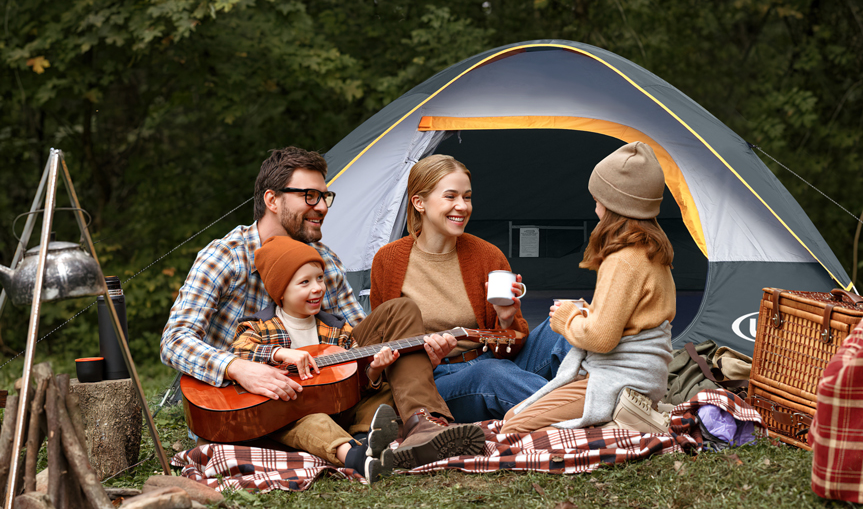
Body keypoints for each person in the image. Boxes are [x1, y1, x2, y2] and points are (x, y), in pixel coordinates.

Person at [161, 147, 482, 468]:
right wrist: (239, 368)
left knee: (400, 312)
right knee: (301, 418)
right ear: (272, 200)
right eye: (310, 196)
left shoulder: (324, 260)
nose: (322, 207)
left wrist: (409, 356)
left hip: (319, 386)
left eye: (326, 197)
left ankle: (424, 425)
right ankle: (364, 439)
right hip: (241, 404)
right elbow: (175, 341)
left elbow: (356, 341)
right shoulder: (226, 256)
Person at [369, 154, 572, 423]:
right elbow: (380, 347)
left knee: (565, 321)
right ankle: (583, 406)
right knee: (491, 374)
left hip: (497, 361)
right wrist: (423, 360)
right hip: (436, 382)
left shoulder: (487, 255)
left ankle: (568, 399)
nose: (462, 206)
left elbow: (510, 347)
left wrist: (506, 319)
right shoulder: (389, 260)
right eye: (450, 197)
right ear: (419, 202)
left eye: (467, 197)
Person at [499, 141, 676, 434]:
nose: (595, 208)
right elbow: (633, 321)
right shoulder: (653, 250)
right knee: (513, 415)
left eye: (597, 200)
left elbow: (601, 338)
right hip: (647, 378)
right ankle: (616, 416)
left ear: (614, 203)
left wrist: (567, 318)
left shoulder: (623, 260)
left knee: (513, 428)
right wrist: (589, 312)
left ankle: (616, 421)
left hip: (620, 380)